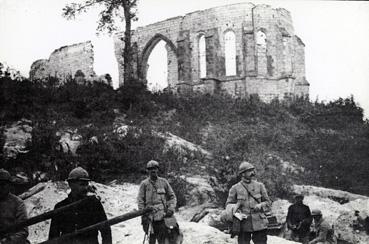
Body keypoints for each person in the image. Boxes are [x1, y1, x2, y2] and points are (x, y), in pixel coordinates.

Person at [48, 167, 112, 244]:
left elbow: (106, 231)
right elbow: (53, 237)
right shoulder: (60, 207)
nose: (85, 188)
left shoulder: (94, 204)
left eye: (86, 184)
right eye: (82, 185)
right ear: (71, 184)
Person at [225, 161, 271, 244]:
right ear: (243, 174)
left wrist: (261, 205)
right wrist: (236, 211)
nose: (252, 173)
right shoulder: (235, 188)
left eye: (253, 170)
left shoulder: (260, 186)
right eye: (249, 171)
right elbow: (228, 205)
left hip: (259, 223)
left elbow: (268, 203)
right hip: (243, 224)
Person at [137, 160, 179, 244]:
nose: (153, 171)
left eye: (155, 168)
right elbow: (140, 200)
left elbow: (172, 197)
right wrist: (143, 213)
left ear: (158, 169)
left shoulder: (163, 182)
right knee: (151, 240)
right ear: (147, 170)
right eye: (150, 169)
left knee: (163, 240)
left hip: (162, 217)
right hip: (149, 218)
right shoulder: (144, 184)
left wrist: (170, 209)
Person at [0, 169, 29, 244]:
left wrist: (6, 242)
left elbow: (23, 231)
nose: (0, 188)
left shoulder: (18, 203)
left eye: (3, 184)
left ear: (9, 185)